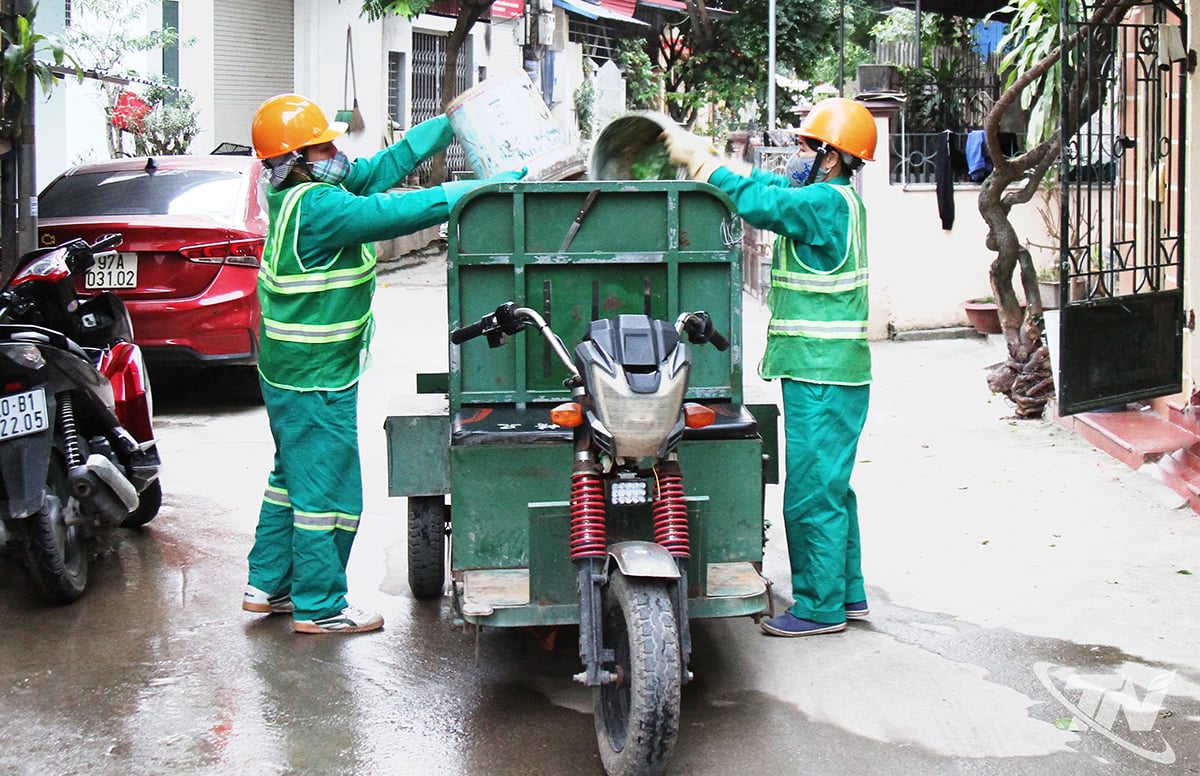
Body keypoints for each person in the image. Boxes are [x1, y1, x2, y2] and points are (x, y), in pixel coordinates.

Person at [243, 93, 524, 634]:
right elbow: (396, 211)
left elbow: (383, 167)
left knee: (292, 477)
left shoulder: (299, 195)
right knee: (330, 490)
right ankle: (320, 607)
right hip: (314, 377)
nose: (336, 151)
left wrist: (448, 124)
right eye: (323, 145)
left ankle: (268, 583)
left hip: (291, 372)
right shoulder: (321, 208)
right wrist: (482, 189)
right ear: (298, 158)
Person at [664, 98, 877, 637]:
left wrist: (704, 167)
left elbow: (763, 205)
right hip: (834, 373)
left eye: (806, 147)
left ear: (832, 156)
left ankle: (819, 607)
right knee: (832, 487)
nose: (796, 156)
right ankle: (846, 593)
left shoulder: (823, 206)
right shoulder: (836, 201)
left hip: (822, 374)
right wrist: (721, 162)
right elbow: (772, 191)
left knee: (810, 491)